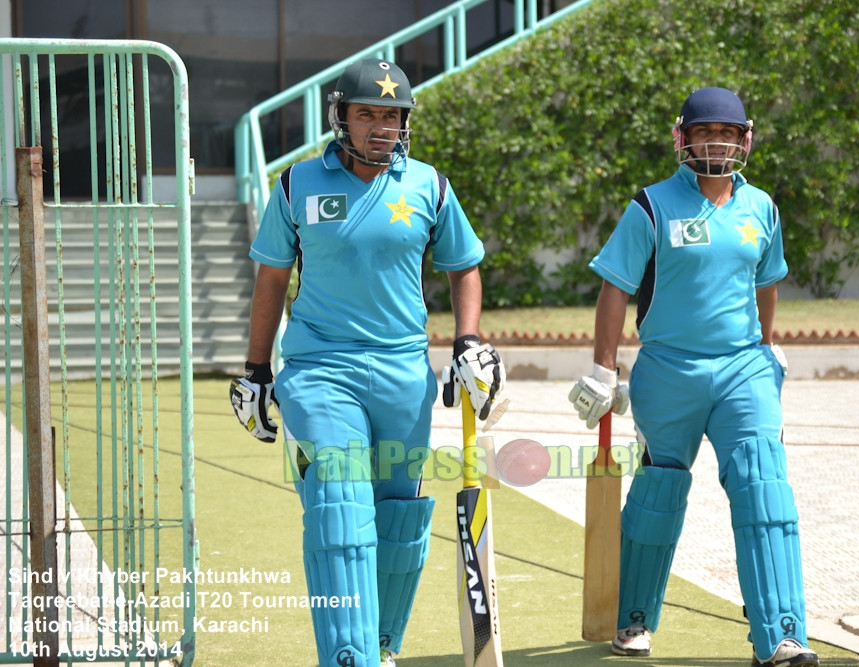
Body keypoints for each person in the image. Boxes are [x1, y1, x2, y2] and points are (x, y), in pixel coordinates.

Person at [229, 58, 505, 667]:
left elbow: (464, 267)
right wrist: (255, 370)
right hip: (319, 368)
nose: (381, 126)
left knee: (397, 515)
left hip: (403, 372)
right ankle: (347, 655)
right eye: (368, 114)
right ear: (342, 119)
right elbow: (272, 279)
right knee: (338, 500)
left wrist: (469, 342)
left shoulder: (428, 185)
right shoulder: (297, 184)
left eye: (392, 115)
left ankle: (381, 646)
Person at [568, 87, 818, 667]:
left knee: (764, 488)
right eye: (706, 132)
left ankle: (782, 635)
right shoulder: (651, 206)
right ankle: (633, 620)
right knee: (658, 495)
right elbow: (615, 287)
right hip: (669, 368)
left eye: (728, 133)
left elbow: (767, 281)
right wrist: (604, 368)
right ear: (682, 138)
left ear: (745, 140)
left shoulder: (763, 208)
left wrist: (767, 345)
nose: (717, 142)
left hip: (742, 370)